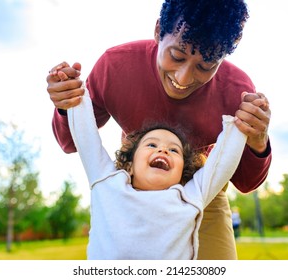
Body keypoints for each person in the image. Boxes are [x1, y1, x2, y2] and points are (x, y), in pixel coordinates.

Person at [46, 0, 272, 259]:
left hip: (202, 193)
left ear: (221, 60)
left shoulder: (236, 91)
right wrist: (67, 105)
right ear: (157, 32)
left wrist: (258, 140)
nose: (184, 78)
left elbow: (245, 182)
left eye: (205, 66)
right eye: (176, 56)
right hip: (134, 187)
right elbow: (71, 142)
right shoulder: (115, 66)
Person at [68, 88, 247, 259]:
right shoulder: (107, 184)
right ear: (129, 165)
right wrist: (76, 95)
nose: (163, 150)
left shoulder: (190, 196)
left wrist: (240, 125)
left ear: (182, 175)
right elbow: (87, 139)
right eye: (152, 145)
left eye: (174, 150)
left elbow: (222, 163)